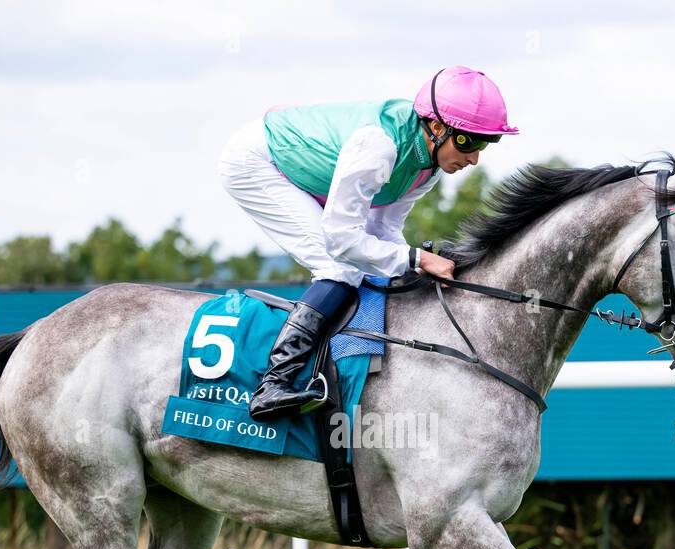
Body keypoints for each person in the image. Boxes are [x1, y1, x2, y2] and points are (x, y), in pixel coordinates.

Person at [217, 66, 519, 422]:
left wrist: (413, 263)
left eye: (486, 143)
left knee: (364, 265)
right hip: (256, 162)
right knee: (338, 266)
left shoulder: (430, 167)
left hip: (305, 170)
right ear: (436, 128)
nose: (475, 158)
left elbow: (383, 230)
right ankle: (274, 384)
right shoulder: (380, 146)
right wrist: (416, 258)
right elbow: (343, 240)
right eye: (468, 142)